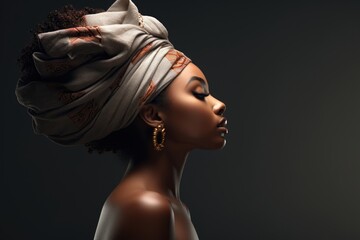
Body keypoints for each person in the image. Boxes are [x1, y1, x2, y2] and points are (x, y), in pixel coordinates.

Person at [15, 0, 228, 239]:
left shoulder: (168, 205)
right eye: (199, 94)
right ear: (153, 115)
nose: (219, 105)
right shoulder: (145, 207)